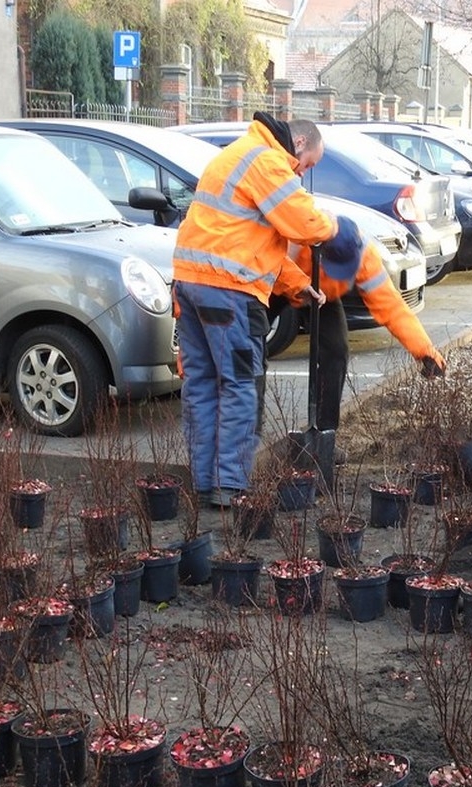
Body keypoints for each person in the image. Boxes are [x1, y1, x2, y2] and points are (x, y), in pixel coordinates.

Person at [172, 112, 361, 508]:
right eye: (307, 165)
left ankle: (205, 483)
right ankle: (229, 486)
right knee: (240, 384)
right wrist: (336, 226)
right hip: (228, 294)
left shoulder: (238, 154)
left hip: (190, 286)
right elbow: (305, 223)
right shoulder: (268, 160)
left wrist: (298, 286)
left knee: (202, 384)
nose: (303, 173)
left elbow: (249, 242)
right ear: (300, 144)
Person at [269, 234, 448, 437]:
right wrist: (297, 284)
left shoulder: (365, 259)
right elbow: (269, 259)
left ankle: (324, 433)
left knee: (336, 353)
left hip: (324, 294)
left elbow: (392, 307)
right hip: (276, 279)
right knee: (250, 344)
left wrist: (425, 351)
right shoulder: (298, 237)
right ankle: (247, 424)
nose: (343, 278)